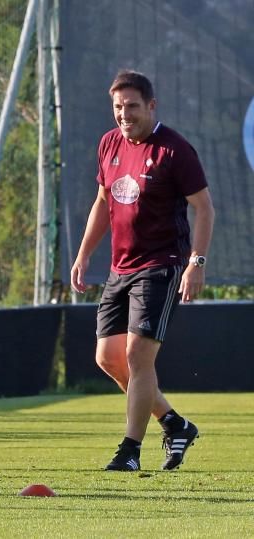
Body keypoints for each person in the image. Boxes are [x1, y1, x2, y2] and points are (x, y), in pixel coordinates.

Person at [71, 70, 214, 472]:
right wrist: (83, 255)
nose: (124, 114)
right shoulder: (109, 143)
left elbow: (204, 208)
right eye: (117, 106)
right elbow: (103, 202)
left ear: (151, 105)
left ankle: (129, 451)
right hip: (120, 267)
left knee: (137, 357)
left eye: (132, 106)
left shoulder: (175, 150)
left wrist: (196, 262)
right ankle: (174, 423)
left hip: (162, 265)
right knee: (108, 359)